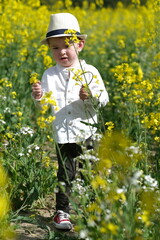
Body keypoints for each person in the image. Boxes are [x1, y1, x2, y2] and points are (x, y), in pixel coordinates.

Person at [32, 13, 109, 230]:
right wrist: (38, 96)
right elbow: (44, 106)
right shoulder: (49, 74)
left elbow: (104, 99)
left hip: (86, 132)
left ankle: (93, 210)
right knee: (65, 173)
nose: (62, 51)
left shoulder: (90, 71)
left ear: (80, 45)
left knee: (90, 172)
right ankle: (62, 212)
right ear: (50, 49)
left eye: (67, 45)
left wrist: (90, 97)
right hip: (63, 134)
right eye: (55, 48)